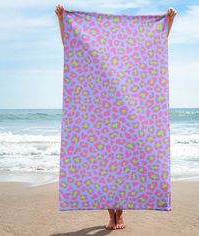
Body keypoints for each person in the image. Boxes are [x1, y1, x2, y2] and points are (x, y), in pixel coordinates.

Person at [55, 4, 176, 230]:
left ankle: (120, 214)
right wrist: (63, 20)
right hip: (101, 118)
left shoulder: (127, 62)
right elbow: (71, 44)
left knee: (125, 165)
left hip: (128, 116)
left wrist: (168, 23)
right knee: (106, 165)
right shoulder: (97, 59)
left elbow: (152, 45)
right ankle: (112, 215)